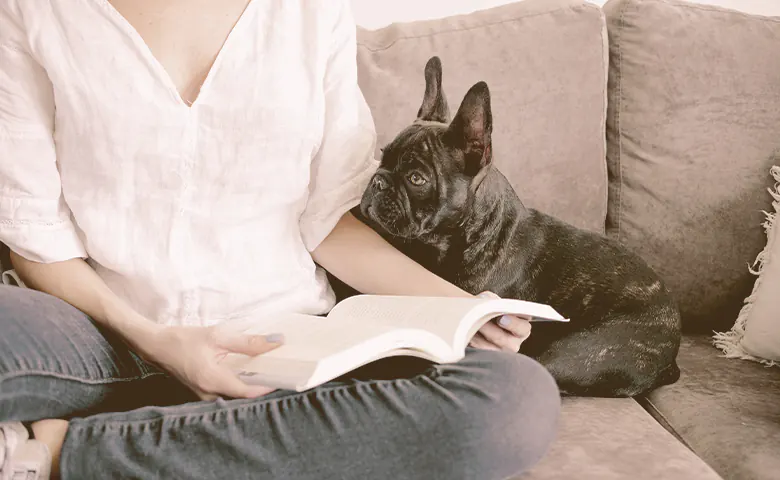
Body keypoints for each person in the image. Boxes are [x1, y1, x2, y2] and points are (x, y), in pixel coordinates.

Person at [0, 0, 561, 478]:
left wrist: (465, 311)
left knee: (514, 399)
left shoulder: (310, 11)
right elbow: (36, 239)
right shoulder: (33, 11)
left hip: (283, 340)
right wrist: (156, 339)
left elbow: (329, 221)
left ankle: (65, 451)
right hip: (101, 331)